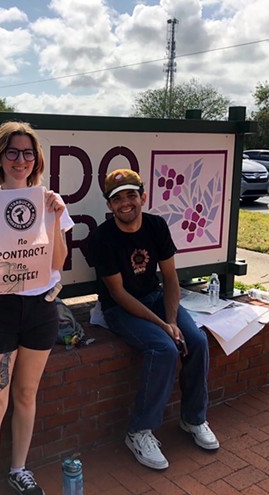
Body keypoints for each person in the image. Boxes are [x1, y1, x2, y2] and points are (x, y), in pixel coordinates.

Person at [0, 121, 73, 495]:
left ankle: (18, 469)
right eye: (12, 152)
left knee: (25, 395)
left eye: (27, 153)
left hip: (40, 309)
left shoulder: (50, 202)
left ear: (35, 159)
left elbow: (58, 261)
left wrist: (54, 217)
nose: (20, 160)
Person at [89, 168, 219, 471]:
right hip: (120, 309)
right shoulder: (101, 238)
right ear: (110, 205)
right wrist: (164, 327)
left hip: (157, 298)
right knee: (164, 348)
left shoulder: (156, 226)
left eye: (131, 195)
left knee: (197, 340)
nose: (126, 203)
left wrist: (172, 319)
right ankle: (138, 431)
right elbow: (118, 294)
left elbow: (171, 277)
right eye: (117, 198)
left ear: (142, 197)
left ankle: (193, 419)